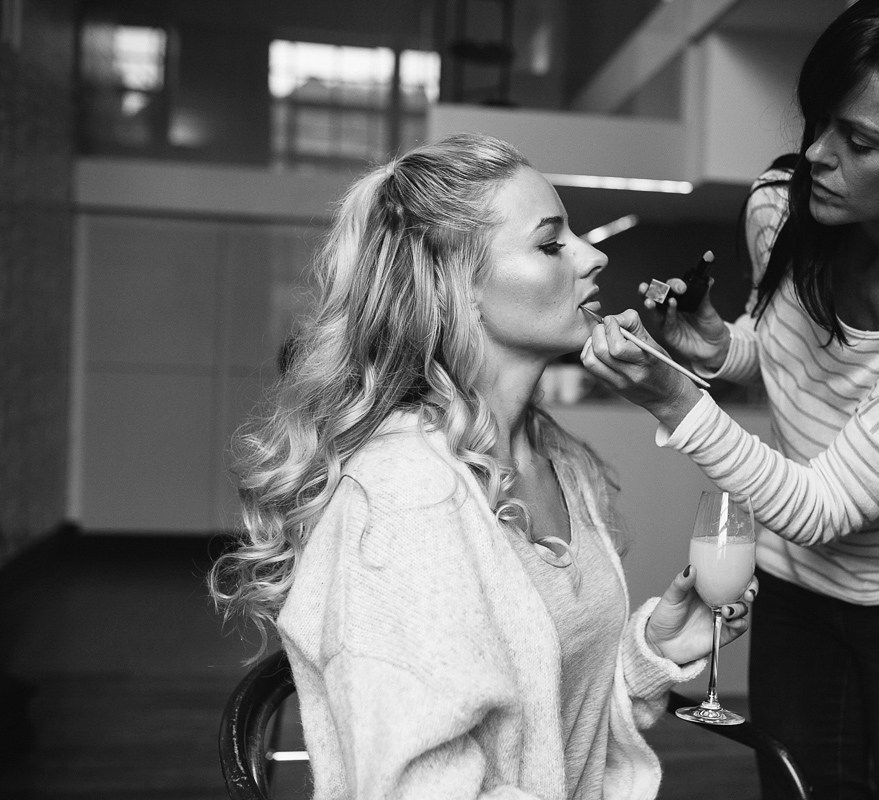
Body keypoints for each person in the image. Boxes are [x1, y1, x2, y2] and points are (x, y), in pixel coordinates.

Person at [208, 132, 756, 800]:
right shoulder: (406, 496)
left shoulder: (562, 464)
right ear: (454, 289)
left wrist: (651, 653)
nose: (594, 254)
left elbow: (556, 732)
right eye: (551, 243)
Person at [581, 1, 879, 798]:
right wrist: (717, 349)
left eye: (859, 141)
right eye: (821, 122)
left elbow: (825, 503)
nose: (817, 154)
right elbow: (782, 363)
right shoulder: (781, 211)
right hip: (796, 587)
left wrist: (676, 404)